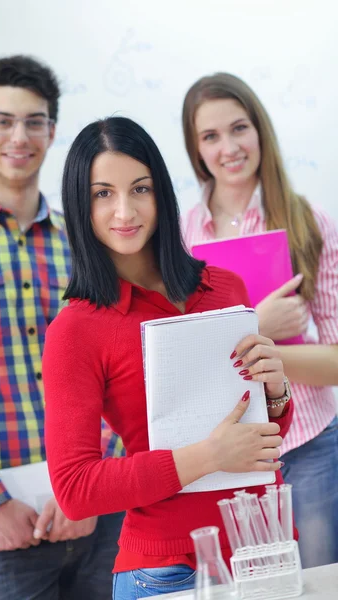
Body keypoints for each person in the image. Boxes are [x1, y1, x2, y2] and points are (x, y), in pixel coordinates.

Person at [42, 116, 294, 599]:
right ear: (79, 205)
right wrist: (206, 457)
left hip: (265, 547)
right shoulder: (74, 331)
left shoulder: (225, 288)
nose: (124, 210)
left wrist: (277, 391)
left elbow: (262, 435)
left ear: (161, 192)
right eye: (102, 194)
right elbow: (75, 490)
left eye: (140, 188)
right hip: (167, 572)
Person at [0, 55, 124, 600]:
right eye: (2, 120)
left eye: (34, 121)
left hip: (101, 517)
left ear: (52, 130)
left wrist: (93, 489)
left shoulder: (87, 240)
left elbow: (123, 364)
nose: (19, 136)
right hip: (3, 525)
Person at [181, 72, 338, 568]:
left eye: (239, 128)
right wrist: (255, 327)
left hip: (308, 449)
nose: (228, 147)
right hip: (225, 457)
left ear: (260, 131)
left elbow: (336, 363)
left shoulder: (307, 221)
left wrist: (259, 346)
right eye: (210, 136)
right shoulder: (180, 236)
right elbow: (180, 362)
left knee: (318, 584)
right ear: (196, 149)